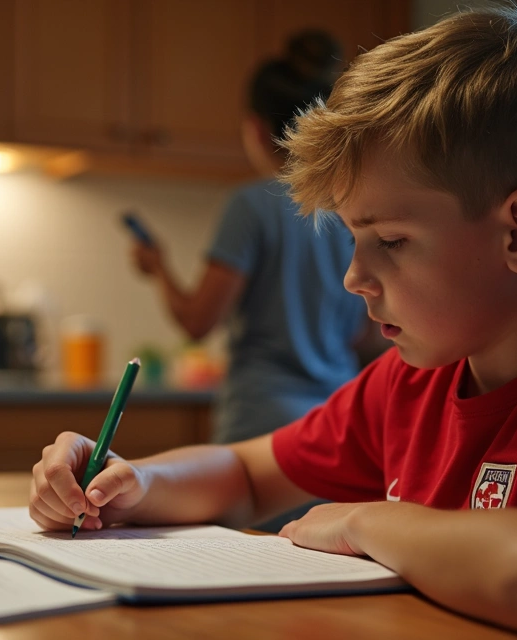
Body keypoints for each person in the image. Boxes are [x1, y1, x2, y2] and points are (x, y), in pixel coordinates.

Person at [28, 6, 517, 639]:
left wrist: (363, 520)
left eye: (391, 242)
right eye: (351, 239)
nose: (353, 277)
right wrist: (126, 483)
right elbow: (247, 474)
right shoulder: (408, 384)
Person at [130, 30, 383, 445]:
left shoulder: (251, 205)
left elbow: (197, 322)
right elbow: (367, 335)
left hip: (261, 424)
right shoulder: (350, 203)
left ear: (257, 128)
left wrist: (158, 267)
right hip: (339, 421)